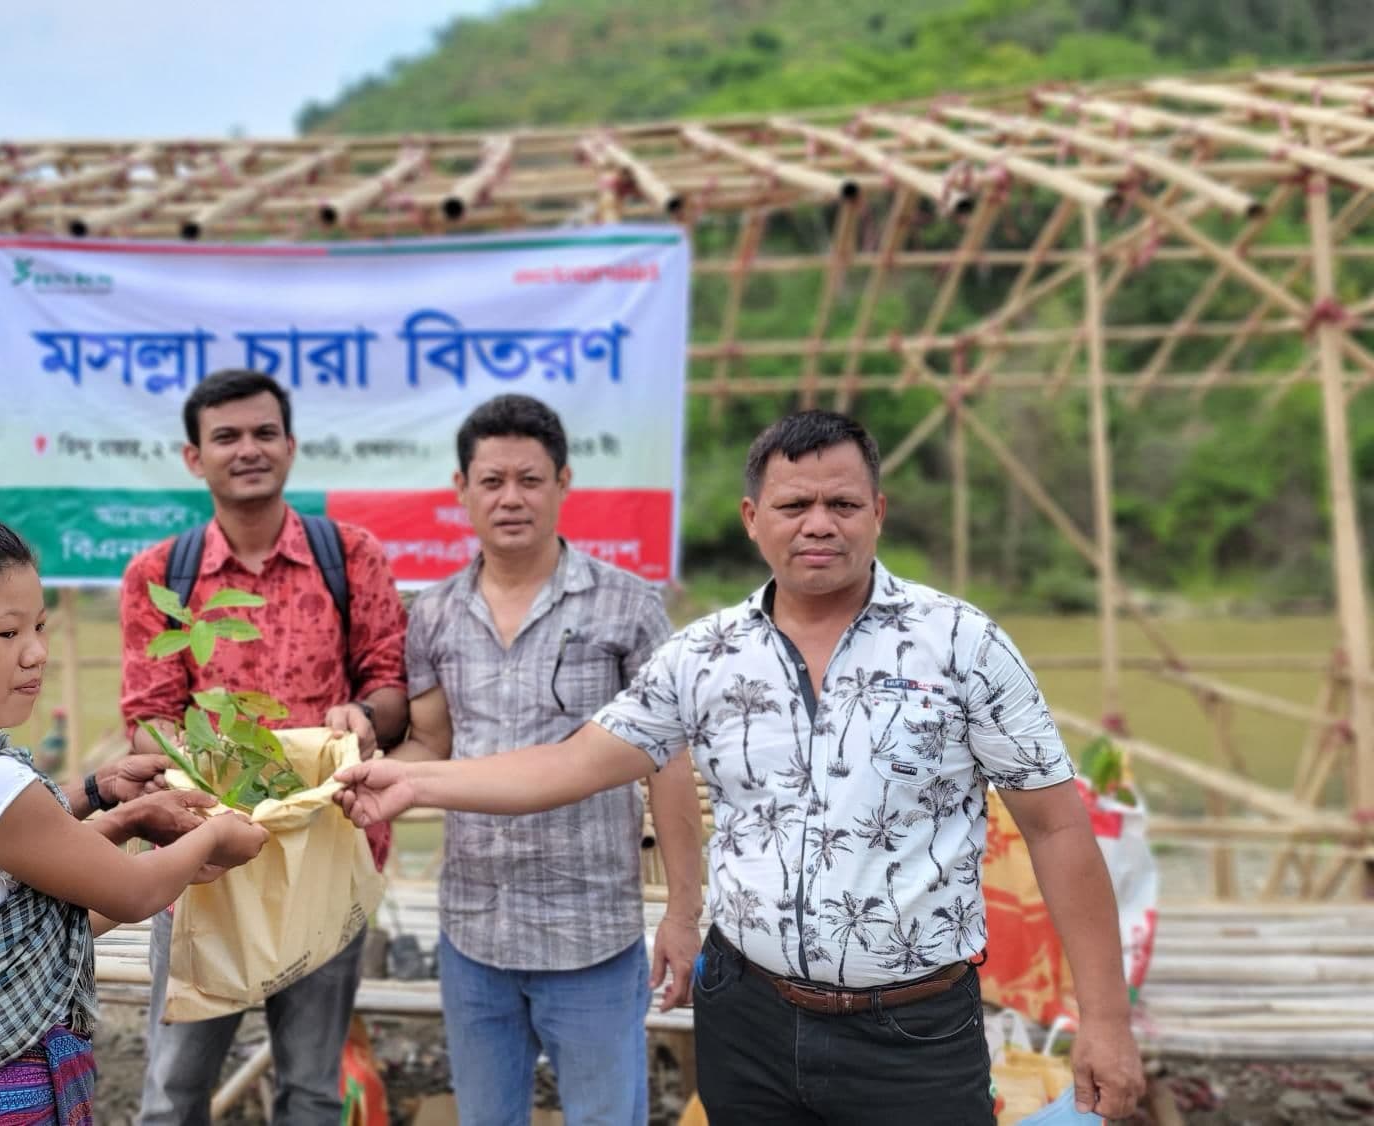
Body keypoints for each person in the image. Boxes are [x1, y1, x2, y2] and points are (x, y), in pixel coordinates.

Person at [336, 410, 1146, 1124]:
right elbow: (570, 764)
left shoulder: (963, 644)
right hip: (749, 1018)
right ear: (755, 519)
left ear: (879, 514)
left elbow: (1058, 827)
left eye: (842, 504)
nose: (818, 524)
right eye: (794, 506)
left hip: (914, 1027)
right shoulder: (706, 655)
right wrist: (414, 781)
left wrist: (1105, 1022)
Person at [0, 506, 271, 1125]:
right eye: (7, 635)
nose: (36, 653)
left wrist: (120, 824)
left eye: (39, 627)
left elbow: (15, 930)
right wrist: (216, 837)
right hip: (5, 1109)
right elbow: (133, 890)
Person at [387, 394, 703, 1125]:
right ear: (460, 490)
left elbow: (669, 764)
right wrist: (353, 763)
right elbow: (431, 745)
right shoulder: (432, 613)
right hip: (474, 929)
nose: (511, 498)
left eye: (530, 480)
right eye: (491, 481)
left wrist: (683, 914)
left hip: (589, 932)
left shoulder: (626, 606)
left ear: (564, 483)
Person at [118, 370, 409, 1125]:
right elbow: (148, 720)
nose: (248, 450)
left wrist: (364, 715)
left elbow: (390, 682)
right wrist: (195, 758)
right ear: (194, 457)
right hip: (203, 864)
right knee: (173, 1088)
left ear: (290, 445)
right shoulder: (160, 577)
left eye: (263, 433)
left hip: (325, 853)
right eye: (226, 437)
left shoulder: (349, 554)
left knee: (311, 1085)